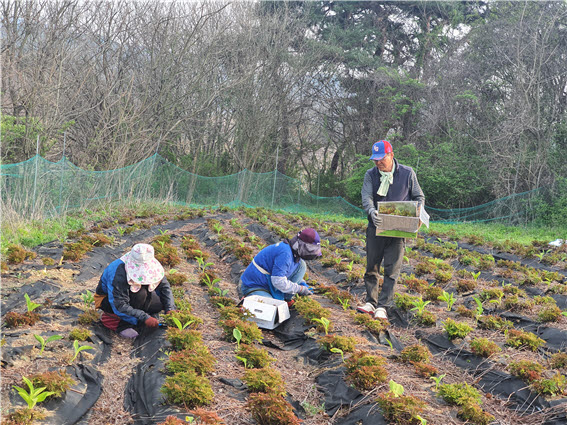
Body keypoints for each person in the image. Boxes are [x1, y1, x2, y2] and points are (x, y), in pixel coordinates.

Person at [358, 140, 425, 320]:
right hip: (376, 227)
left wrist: (417, 211)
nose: (378, 163)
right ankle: (371, 302)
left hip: (398, 229)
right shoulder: (371, 175)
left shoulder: (407, 173)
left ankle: (383, 306)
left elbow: (419, 196)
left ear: (391, 155)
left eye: (382, 159)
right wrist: (372, 212)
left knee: (392, 269)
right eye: (375, 160)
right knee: (372, 266)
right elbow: (367, 198)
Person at [95, 243, 176, 338]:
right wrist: (144, 317)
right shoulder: (118, 271)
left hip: (133, 295)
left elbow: (164, 287)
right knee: (141, 294)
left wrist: (170, 308)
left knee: (159, 303)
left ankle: (135, 315)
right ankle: (116, 322)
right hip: (109, 300)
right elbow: (119, 304)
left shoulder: (150, 262)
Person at [239, 228, 322, 301]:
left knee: (301, 266)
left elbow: (289, 272)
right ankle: (248, 298)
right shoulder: (285, 253)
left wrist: (301, 283)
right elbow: (278, 281)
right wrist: (300, 289)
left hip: (270, 283)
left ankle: (287, 299)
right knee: (271, 308)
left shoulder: (294, 254)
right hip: (255, 286)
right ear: (301, 245)